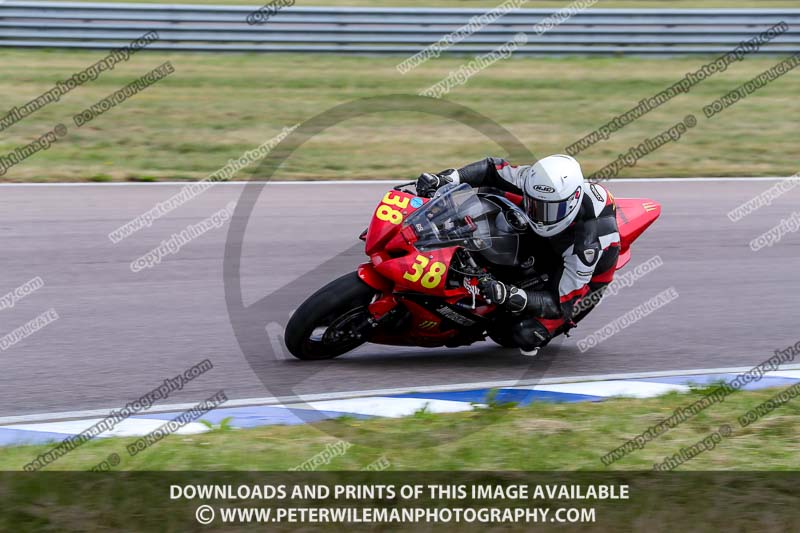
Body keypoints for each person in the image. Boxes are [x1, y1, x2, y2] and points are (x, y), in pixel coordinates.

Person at [416, 154, 620, 355]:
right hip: (553, 237)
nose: (539, 217)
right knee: (492, 192)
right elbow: (492, 169)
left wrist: (511, 295)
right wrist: (446, 179)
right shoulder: (534, 181)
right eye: (535, 205)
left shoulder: (587, 244)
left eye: (549, 211)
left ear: (572, 203)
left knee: (522, 334)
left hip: (584, 279)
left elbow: (559, 303)